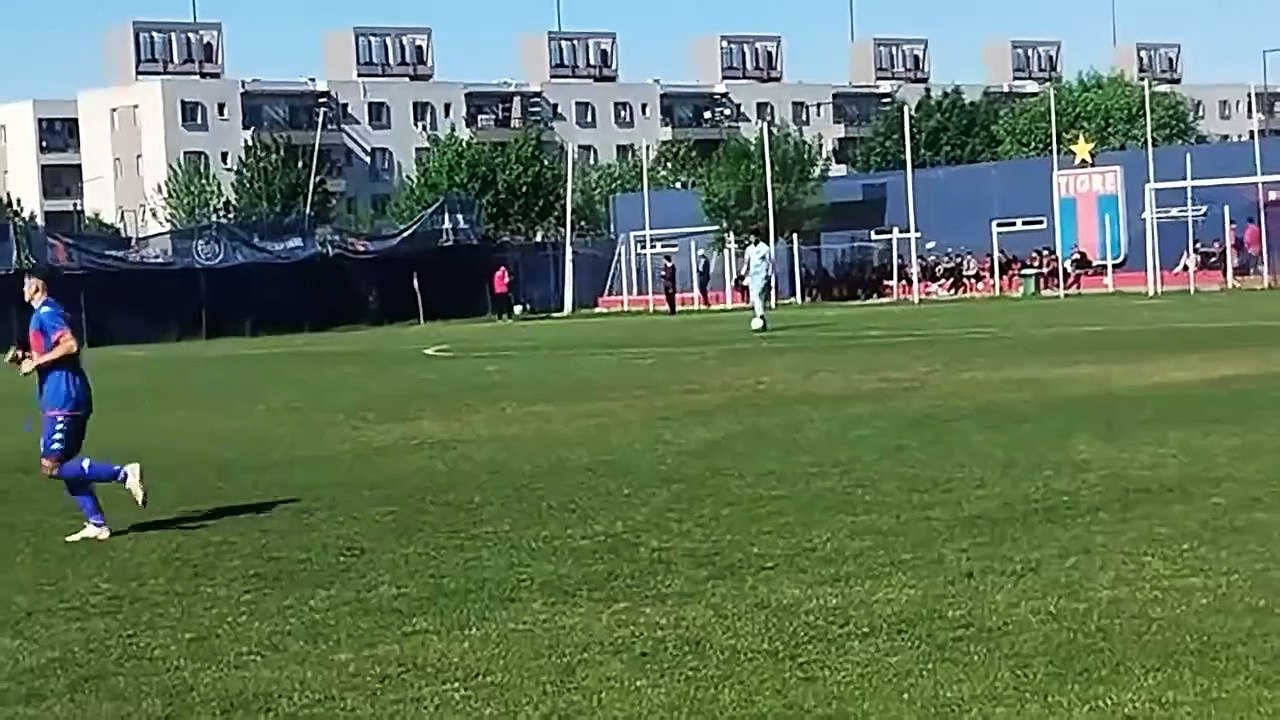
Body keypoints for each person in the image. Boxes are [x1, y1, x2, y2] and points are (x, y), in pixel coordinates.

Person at [11, 268, 146, 542]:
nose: (22, 287)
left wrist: (36, 361)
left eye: (26, 282)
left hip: (65, 398)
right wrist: (27, 357)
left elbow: (70, 345)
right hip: (58, 398)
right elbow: (53, 354)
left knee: (51, 466)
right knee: (65, 462)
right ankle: (96, 523)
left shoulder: (47, 313)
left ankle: (124, 473)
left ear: (38, 286)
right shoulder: (43, 314)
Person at [740, 231, 775, 328]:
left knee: (758, 294)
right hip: (753, 276)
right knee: (756, 298)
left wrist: (769, 275)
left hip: (762, 275)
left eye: (753, 237)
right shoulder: (749, 249)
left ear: (758, 237)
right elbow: (746, 263)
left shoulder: (765, 248)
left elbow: (770, 263)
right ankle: (760, 316)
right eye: (751, 237)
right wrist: (741, 275)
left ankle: (760, 316)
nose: (752, 238)